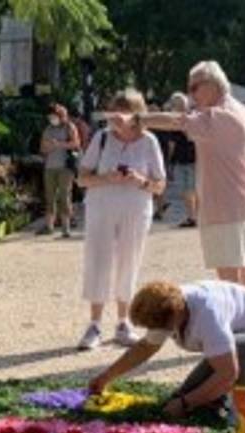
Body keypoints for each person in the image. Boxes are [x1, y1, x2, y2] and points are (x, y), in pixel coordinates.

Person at [106, 61, 245, 290]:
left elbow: (177, 121)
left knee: (229, 280)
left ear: (213, 85)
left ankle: (237, 324)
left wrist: (137, 120)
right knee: (244, 268)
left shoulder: (218, 115)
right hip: (244, 203)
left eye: (194, 88)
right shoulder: (241, 110)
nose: (190, 94)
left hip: (223, 206)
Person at [90, 280, 245, 419]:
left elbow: (228, 374)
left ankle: (240, 406)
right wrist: (106, 376)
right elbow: (146, 347)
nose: (157, 331)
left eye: (160, 327)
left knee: (237, 348)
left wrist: (186, 403)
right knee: (178, 402)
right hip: (236, 348)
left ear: (176, 313)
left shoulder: (208, 315)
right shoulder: (166, 308)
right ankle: (213, 402)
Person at [75, 89, 166, 351]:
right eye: (112, 112)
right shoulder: (102, 138)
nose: (114, 118)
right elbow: (82, 178)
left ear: (136, 116)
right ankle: (94, 324)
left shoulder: (149, 141)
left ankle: (123, 322)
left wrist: (141, 180)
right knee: (98, 261)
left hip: (136, 209)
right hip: (101, 207)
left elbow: (159, 186)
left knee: (130, 262)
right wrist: (107, 178)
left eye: (121, 113)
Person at [40, 104, 82, 238]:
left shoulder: (69, 127)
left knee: (64, 196)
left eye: (53, 116)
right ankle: (49, 226)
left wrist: (59, 144)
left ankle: (66, 228)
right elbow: (42, 149)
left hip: (65, 166)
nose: (51, 118)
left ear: (61, 115)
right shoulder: (48, 129)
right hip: (50, 166)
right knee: (49, 196)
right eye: (50, 116)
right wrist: (49, 147)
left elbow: (76, 144)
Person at [163, 93, 200, 227]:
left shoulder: (188, 118)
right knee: (190, 190)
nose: (173, 107)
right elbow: (172, 144)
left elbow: (192, 137)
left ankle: (194, 217)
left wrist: (169, 161)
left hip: (190, 159)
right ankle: (194, 216)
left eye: (175, 105)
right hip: (187, 159)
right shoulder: (184, 118)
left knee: (190, 189)